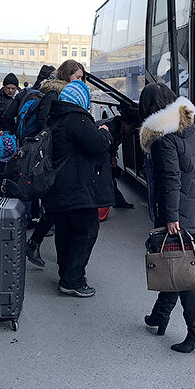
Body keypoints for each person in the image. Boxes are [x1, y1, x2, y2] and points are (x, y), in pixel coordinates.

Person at [138, 82, 195, 354]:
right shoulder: (190, 126)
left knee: (184, 272)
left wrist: (170, 216)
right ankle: (160, 315)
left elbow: (171, 178)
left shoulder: (163, 136)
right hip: (194, 204)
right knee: (176, 261)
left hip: (179, 210)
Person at [39, 79, 113, 297]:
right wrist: (105, 133)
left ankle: (66, 275)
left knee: (65, 231)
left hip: (59, 188)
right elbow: (97, 145)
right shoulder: (76, 118)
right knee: (86, 230)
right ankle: (73, 279)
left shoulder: (56, 117)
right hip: (77, 188)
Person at [25, 60, 86, 268]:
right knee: (57, 205)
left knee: (57, 206)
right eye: (78, 77)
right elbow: (46, 124)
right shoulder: (54, 95)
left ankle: (35, 243)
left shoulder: (65, 94)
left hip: (59, 156)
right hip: (54, 156)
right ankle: (38, 245)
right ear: (67, 76)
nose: (81, 81)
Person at [100, 104, 142, 209]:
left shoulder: (120, 128)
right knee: (109, 180)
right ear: (124, 124)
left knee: (111, 178)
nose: (131, 130)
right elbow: (103, 145)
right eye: (131, 127)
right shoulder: (111, 128)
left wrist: (113, 156)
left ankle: (118, 202)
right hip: (99, 154)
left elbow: (113, 144)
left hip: (104, 153)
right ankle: (114, 203)